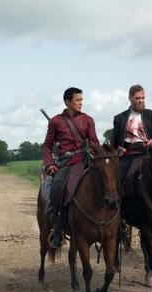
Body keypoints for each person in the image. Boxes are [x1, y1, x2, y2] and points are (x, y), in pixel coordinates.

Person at [43, 87, 100, 248]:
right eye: (77, 100)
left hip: (85, 160)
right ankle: (58, 228)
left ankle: (116, 224)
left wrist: (105, 155)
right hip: (66, 163)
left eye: (82, 100)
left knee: (109, 181)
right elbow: (47, 146)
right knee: (57, 187)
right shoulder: (55, 121)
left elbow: (94, 142)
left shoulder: (88, 119)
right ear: (67, 102)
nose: (81, 103)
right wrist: (50, 164)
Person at [111, 84, 152, 185]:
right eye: (137, 98)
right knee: (119, 180)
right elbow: (113, 144)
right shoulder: (119, 118)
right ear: (130, 98)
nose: (141, 100)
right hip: (128, 155)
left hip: (149, 153)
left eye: (143, 98)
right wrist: (118, 149)